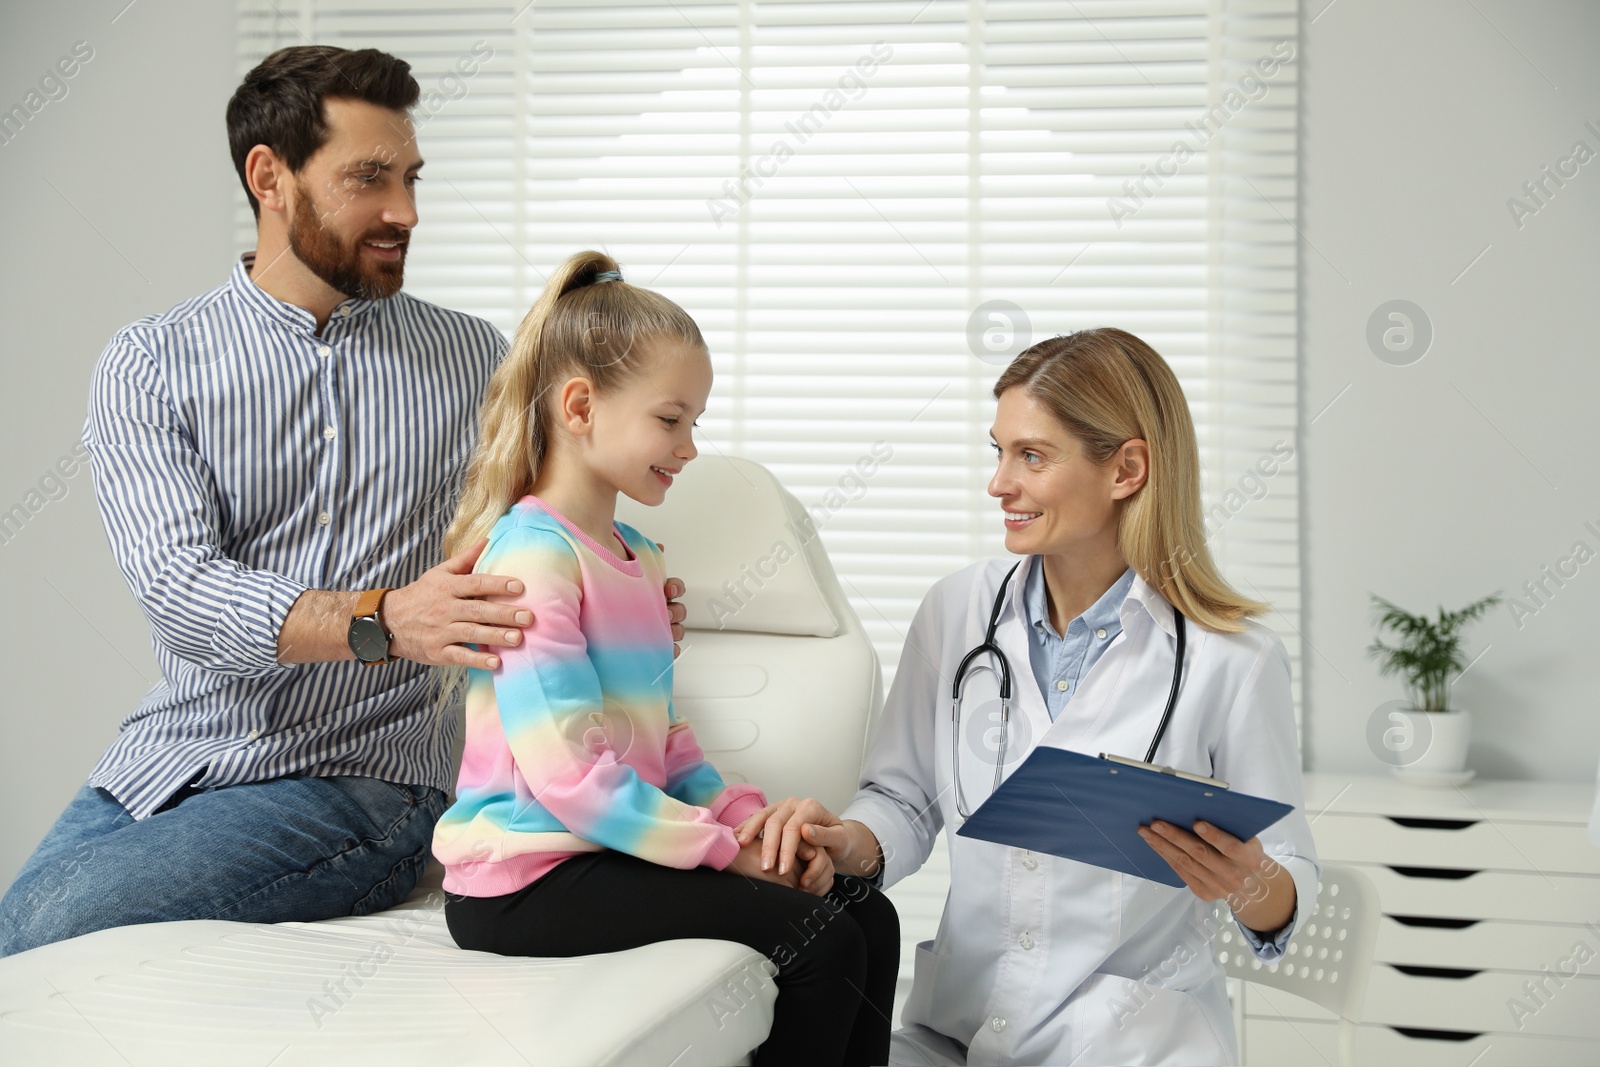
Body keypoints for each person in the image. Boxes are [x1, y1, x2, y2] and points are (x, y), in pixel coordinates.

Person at [0, 46, 685, 958]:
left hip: (368, 777)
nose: (404, 210)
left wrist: (625, 586)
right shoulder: (151, 363)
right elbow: (180, 588)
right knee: (18, 941)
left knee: (40, 930)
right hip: (170, 760)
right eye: (369, 178)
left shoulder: (472, 362)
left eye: (409, 177)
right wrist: (385, 618)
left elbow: (562, 507)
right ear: (268, 177)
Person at [737, 328, 1320, 1066]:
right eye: (999, 450)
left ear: (1127, 469)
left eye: (1032, 456)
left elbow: (1292, 875)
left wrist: (1252, 882)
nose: (999, 483)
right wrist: (846, 841)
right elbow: (906, 798)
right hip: (959, 1034)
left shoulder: (1232, 659)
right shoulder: (958, 612)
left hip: (1131, 1045)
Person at [431, 250, 899, 1067]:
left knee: (870, 913)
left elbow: (669, 744)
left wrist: (750, 822)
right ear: (580, 405)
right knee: (822, 941)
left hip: (602, 850)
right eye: (671, 418)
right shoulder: (534, 557)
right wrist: (726, 852)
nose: (688, 447)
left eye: (695, 422)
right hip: (524, 877)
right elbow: (571, 779)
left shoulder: (638, 558)